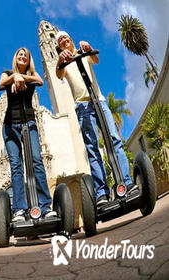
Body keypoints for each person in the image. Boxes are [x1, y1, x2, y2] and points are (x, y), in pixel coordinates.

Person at [55, 31, 137, 207]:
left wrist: (89, 48)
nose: (63, 40)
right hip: (83, 107)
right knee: (92, 149)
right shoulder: (63, 62)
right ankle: (102, 193)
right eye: (60, 40)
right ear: (59, 46)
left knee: (114, 140)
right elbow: (59, 74)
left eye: (65, 37)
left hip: (100, 101)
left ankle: (127, 182)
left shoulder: (83, 52)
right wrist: (61, 60)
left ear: (71, 39)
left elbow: (96, 60)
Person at [0, 47, 56, 222]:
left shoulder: (33, 75)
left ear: (28, 60)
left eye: (25, 55)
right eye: (19, 55)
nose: (22, 57)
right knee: (16, 167)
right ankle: (19, 210)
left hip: (29, 123)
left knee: (37, 162)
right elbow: (0, 85)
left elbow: (40, 81)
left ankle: (45, 207)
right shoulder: (6, 73)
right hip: (10, 125)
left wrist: (21, 77)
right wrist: (14, 76)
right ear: (16, 58)